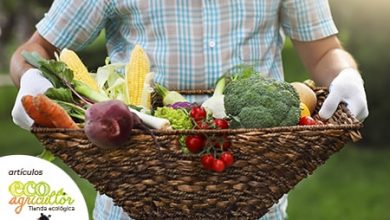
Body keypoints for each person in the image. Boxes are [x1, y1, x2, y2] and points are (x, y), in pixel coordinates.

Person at [10, 1, 368, 219]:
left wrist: (346, 74)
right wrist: (31, 79)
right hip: (131, 204)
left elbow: (324, 53)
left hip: (256, 203)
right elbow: (36, 48)